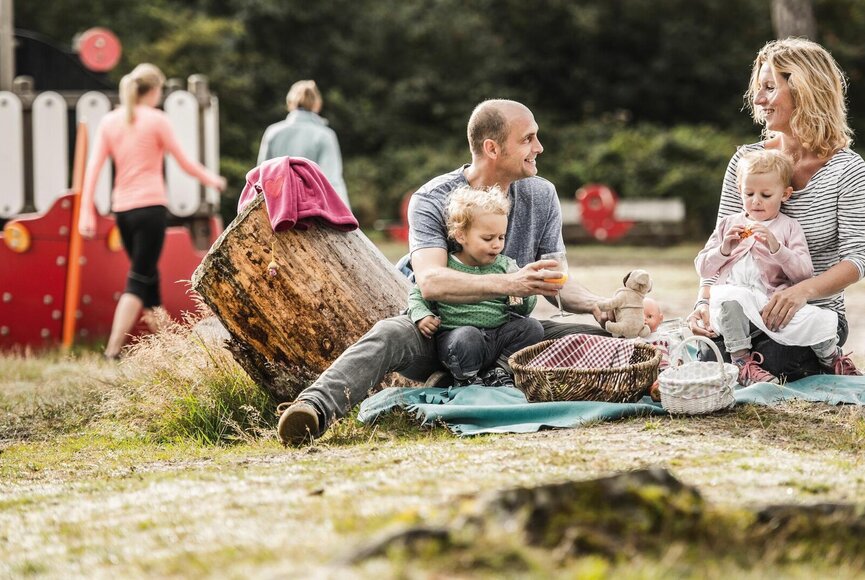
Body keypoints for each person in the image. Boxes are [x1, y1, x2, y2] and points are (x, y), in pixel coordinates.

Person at [276, 98, 610, 446]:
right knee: (389, 333)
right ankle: (311, 409)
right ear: (492, 148)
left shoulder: (542, 195)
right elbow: (431, 281)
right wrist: (511, 282)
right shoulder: (433, 198)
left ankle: (478, 379)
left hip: (507, 337)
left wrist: (600, 305)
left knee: (590, 337)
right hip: (438, 332)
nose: (538, 148)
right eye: (528, 139)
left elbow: (555, 279)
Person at [687, 38, 865, 380]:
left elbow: (858, 257)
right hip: (743, 311)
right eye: (758, 88)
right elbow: (720, 248)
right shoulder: (746, 163)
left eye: (770, 88)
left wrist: (802, 292)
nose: (757, 99)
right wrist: (703, 304)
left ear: (806, 91)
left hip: (811, 313)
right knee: (713, 351)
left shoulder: (848, 169)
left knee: (778, 358)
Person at [78, 63, 227, 359]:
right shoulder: (157, 120)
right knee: (138, 278)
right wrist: (214, 180)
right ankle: (112, 351)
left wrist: (85, 211)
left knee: (148, 277)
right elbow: (184, 162)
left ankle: (169, 348)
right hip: (150, 209)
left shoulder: (110, 122)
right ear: (155, 90)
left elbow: (92, 169)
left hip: (123, 212)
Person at [695, 149, 855, 385]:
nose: (756, 201)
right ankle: (741, 362)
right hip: (734, 310)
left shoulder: (789, 227)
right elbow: (703, 269)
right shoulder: (729, 225)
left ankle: (831, 358)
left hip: (769, 306)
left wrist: (776, 248)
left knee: (817, 317)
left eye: (766, 194)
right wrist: (724, 249)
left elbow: (804, 274)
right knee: (730, 296)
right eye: (748, 193)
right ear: (739, 191)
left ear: (785, 195)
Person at [407, 184, 544, 387]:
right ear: (461, 236)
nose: (497, 245)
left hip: (497, 338)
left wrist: (522, 294)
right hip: (457, 339)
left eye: (501, 237)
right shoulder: (448, 266)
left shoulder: (506, 266)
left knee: (532, 327)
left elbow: (524, 310)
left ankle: (499, 371)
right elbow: (417, 295)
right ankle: (467, 379)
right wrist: (422, 316)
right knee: (468, 336)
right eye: (488, 238)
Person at [257, 80, 349, 208]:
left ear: (289, 102)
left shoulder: (273, 132)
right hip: (312, 212)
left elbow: (262, 175)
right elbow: (332, 181)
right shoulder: (325, 135)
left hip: (277, 210)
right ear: (317, 104)